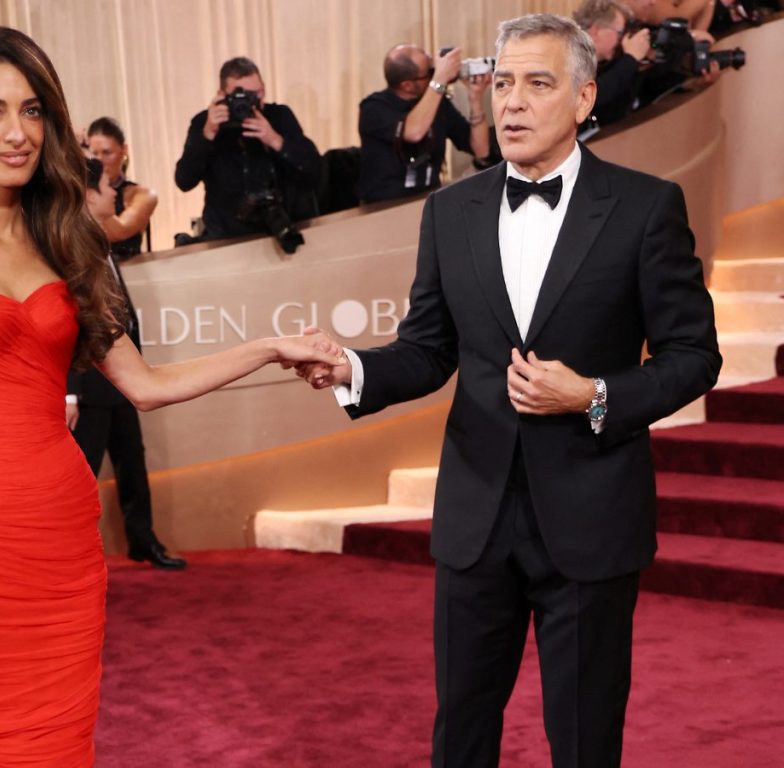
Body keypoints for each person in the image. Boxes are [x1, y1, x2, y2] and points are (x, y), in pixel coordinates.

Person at [0, 25, 337, 767]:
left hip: (63, 544)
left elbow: (144, 385)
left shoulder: (65, 233)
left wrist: (269, 347)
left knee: (59, 746)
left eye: (33, 111)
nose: (17, 133)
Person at [293, 13, 720, 767]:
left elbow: (693, 357)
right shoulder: (450, 210)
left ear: (586, 99)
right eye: (502, 83)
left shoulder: (646, 208)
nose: (511, 103)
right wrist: (353, 369)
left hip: (591, 520)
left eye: (538, 84)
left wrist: (592, 395)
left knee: (585, 744)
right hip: (475, 518)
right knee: (460, 737)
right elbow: (429, 350)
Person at [67, 158, 185, 570]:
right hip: (89, 385)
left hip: (123, 382)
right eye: (106, 185)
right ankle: (72, 560)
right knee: (82, 479)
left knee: (133, 462)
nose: (116, 191)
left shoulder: (102, 241)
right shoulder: (69, 248)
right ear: (86, 194)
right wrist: (71, 391)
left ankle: (143, 541)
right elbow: (67, 325)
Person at [174, 56, 321, 241]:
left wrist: (274, 139)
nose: (248, 103)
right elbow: (184, 181)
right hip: (225, 237)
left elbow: (315, 170)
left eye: (255, 94)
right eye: (240, 95)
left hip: (279, 231)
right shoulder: (205, 123)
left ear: (264, 89)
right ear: (222, 95)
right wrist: (207, 134)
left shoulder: (278, 117)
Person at [358, 44, 492, 203]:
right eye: (430, 72)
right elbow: (413, 132)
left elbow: (481, 150)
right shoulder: (373, 108)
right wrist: (440, 79)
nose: (435, 72)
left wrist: (475, 99)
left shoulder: (438, 103)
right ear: (406, 85)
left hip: (428, 200)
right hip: (382, 207)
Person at [84, 116, 157, 261]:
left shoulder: (142, 194)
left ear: (124, 150)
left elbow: (120, 231)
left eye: (107, 153)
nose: (99, 160)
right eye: (94, 153)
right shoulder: (82, 193)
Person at [574, 0, 653, 125]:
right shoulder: (569, 57)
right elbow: (592, 96)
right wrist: (631, 58)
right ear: (595, 30)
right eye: (620, 33)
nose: (621, 41)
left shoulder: (601, 64)